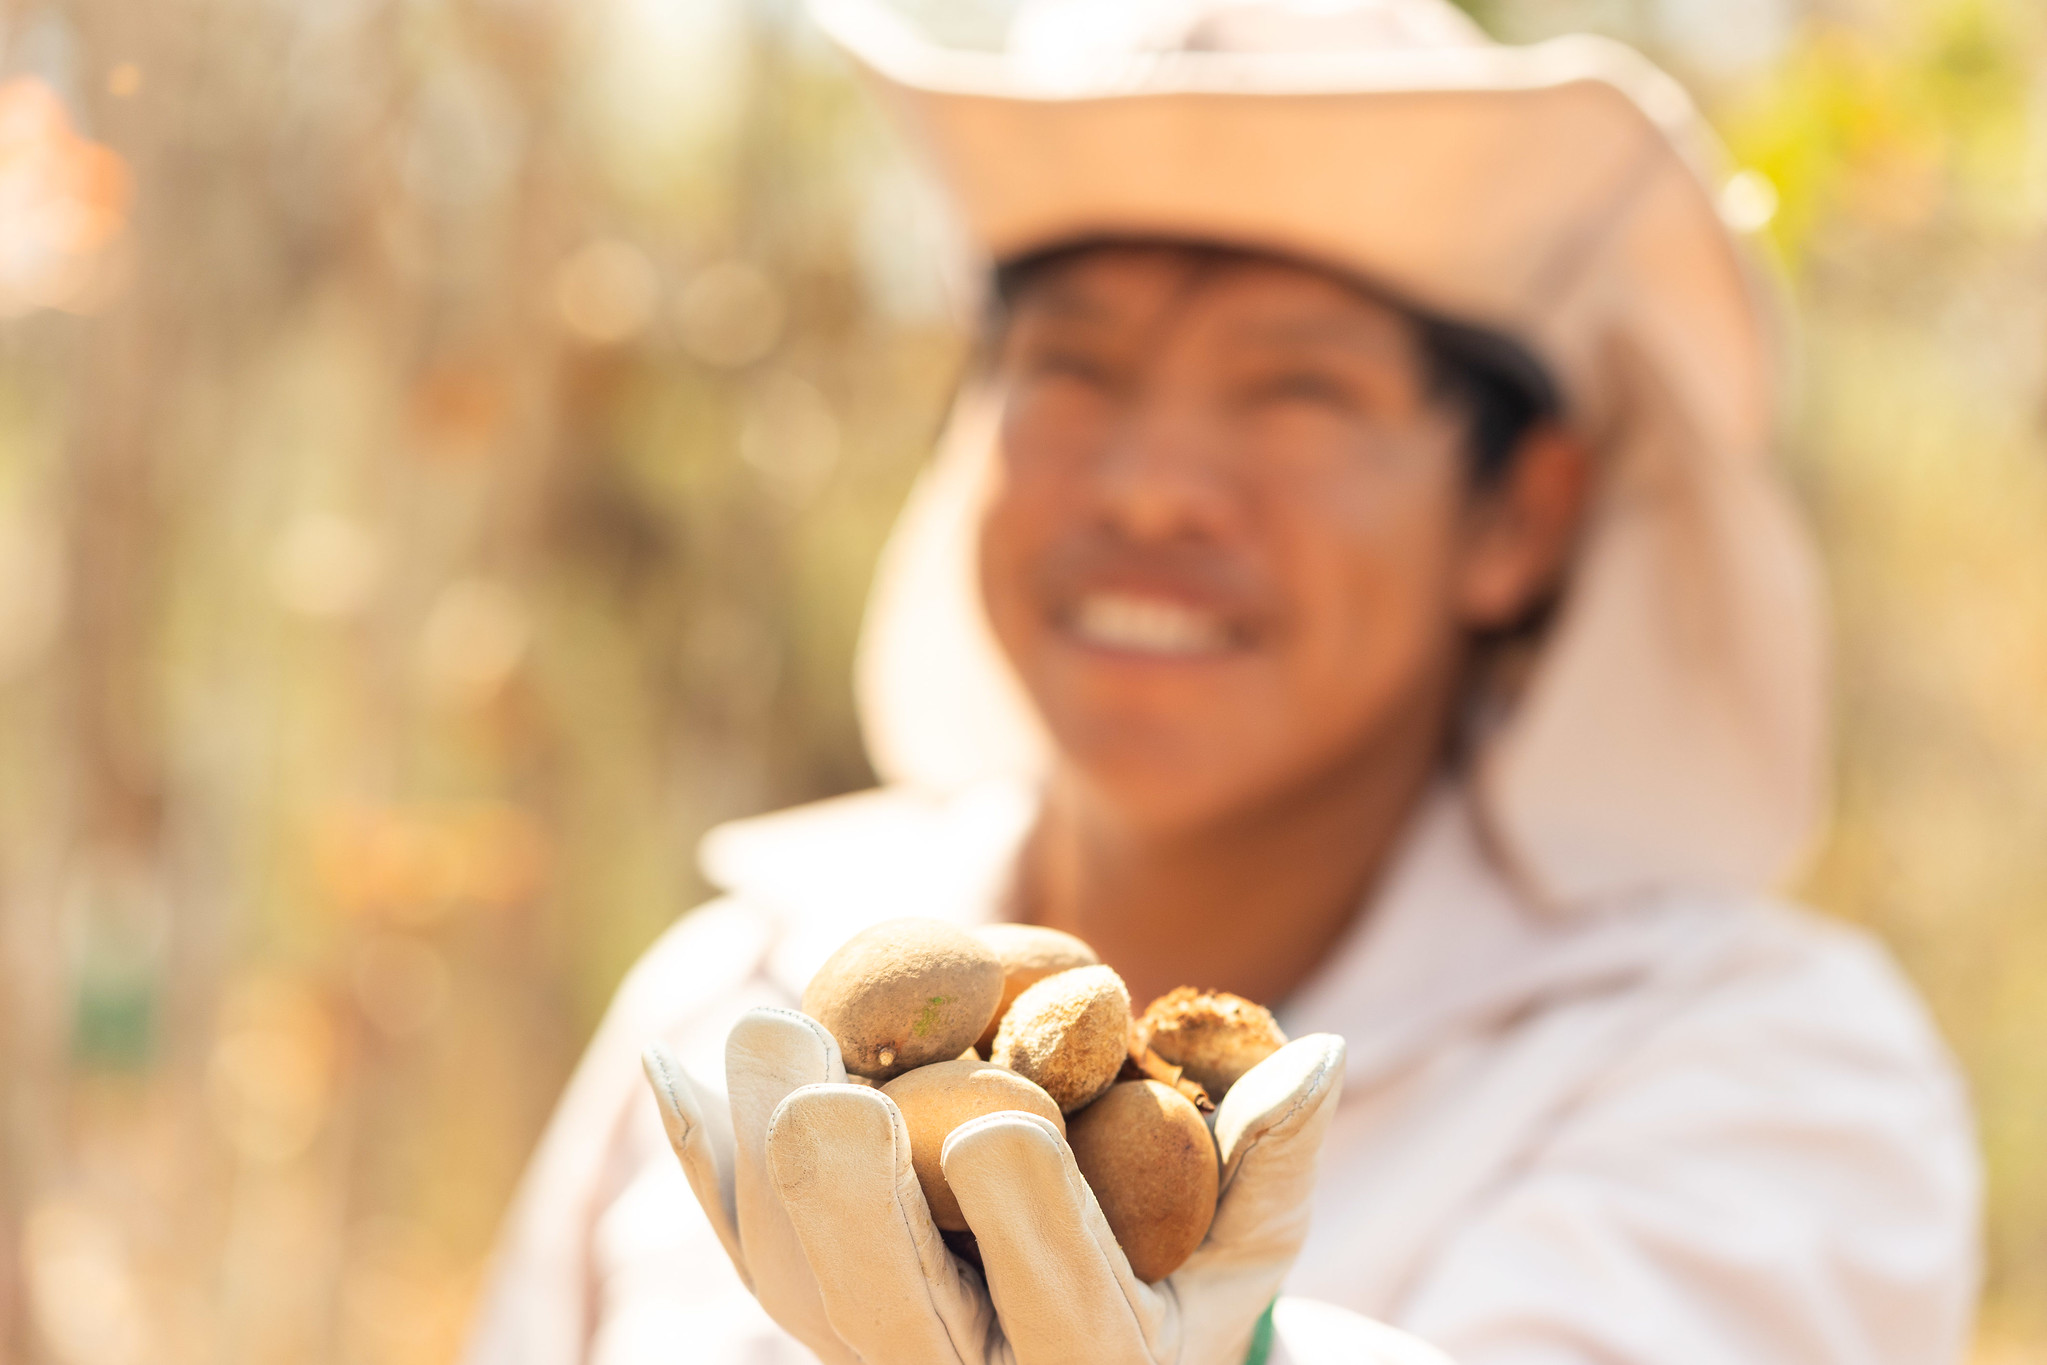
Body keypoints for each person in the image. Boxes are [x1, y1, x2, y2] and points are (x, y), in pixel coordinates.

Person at [462, 1, 1981, 1362]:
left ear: (1521, 514)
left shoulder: (1753, 1071)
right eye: (1075, 368)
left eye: (1298, 388)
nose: (1149, 490)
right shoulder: (733, 997)